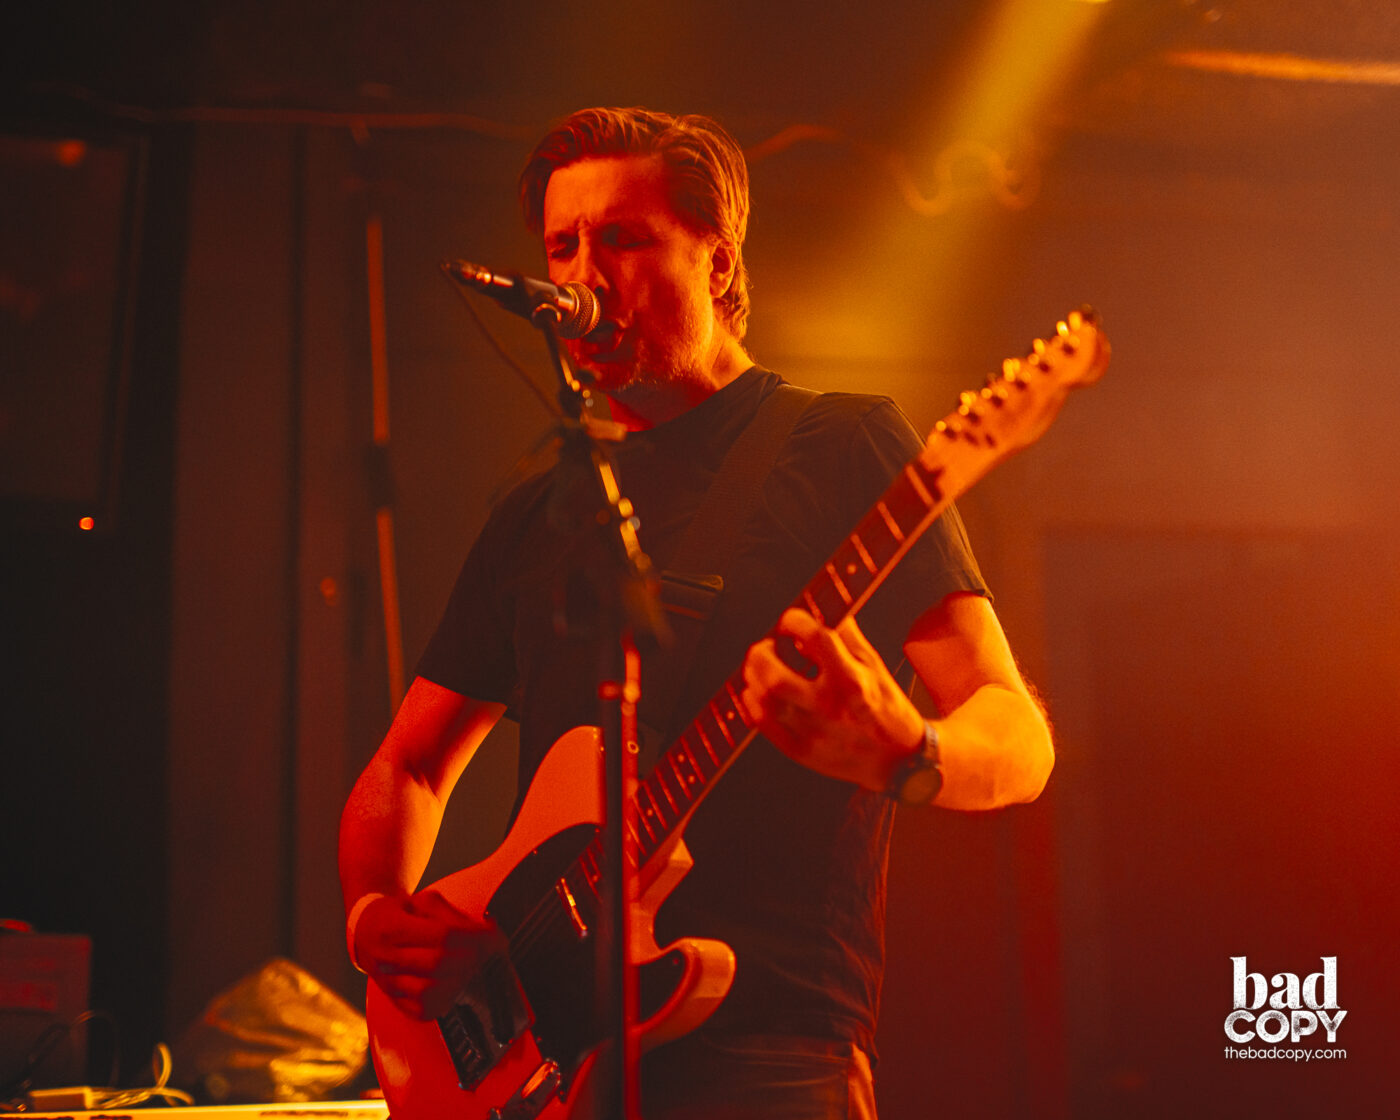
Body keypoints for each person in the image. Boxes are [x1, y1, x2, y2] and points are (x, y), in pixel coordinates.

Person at [338, 106, 1054, 1119]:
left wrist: (913, 751)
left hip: (765, 1056)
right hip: (537, 1068)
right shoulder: (537, 512)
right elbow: (407, 766)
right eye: (561, 247)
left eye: (622, 239)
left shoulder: (842, 447)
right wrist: (376, 916)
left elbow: (1017, 734)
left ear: (717, 261)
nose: (583, 277)